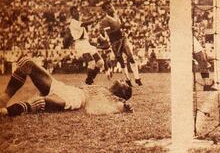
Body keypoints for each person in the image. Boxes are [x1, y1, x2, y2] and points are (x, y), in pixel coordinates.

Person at [0, 56, 133, 117]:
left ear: (122, 92)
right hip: (67, 88)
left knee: (40, 103)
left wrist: (124, 107)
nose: (122, 79)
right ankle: (3, 100)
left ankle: (7, 111)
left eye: (124, 83)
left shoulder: (113, 100)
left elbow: (114, 107)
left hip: (77, 98)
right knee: (26, 63)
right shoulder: (103, 88)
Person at [100, 1, 142, 87]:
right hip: (114, 42)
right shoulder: (105, 21)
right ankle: (127, 79)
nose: (111, 8)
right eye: (108, 8)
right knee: (121, 62)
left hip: (123, 39)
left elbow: (123, 25)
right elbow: (109, 33)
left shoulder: (117, 15)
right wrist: (120, 27)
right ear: (105, 11)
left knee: (130, 56)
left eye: (111, 6)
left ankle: (137, 78)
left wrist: (126, 27)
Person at [69, 6, 104, 85]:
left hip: (86, 43)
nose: (77, 13)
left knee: (100, 62)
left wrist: (94, 19)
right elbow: (84, 24)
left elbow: (85, 25)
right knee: (91, 63)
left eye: (77, 11)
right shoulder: (73, 23)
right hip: (80, 44)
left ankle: (90, 80)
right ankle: (88, 82)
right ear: (71, 14)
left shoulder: (79, 22)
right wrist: (93, 20)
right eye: (75, 12)